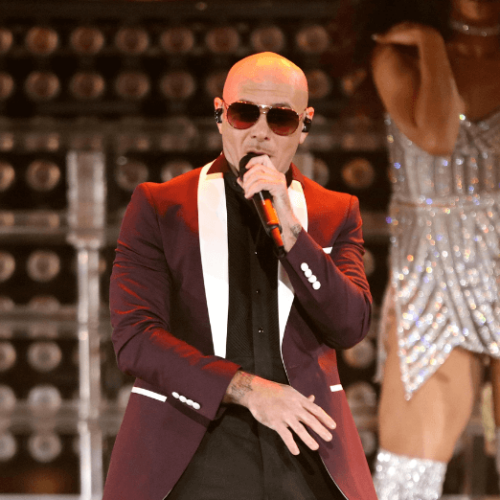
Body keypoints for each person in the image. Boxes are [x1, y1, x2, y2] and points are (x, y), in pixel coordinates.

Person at [102, 52, 376, 500]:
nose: (260, 132)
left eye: (281, 119)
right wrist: (249, 390)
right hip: (190, 449)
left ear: (305, 125)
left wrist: (292, 233)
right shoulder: (161, 207)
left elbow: (350, 325)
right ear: (220, 116)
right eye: (244, 113)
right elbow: (134, 338)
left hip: (305, 454)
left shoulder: (335, 212)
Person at [354, 0, 500, 498]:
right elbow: (439, 136)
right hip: (433, 278)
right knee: (404, 486)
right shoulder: (402, 54)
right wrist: (435, 46)